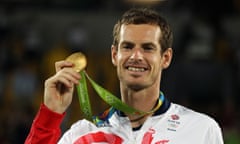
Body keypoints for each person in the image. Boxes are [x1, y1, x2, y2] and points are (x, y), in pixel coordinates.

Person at [25, 8, 224, 144]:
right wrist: (51, 114)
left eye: (147, 48)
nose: (136, 56)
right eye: (127, 47)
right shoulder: (83, 134)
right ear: (114, 55)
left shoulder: (201, 130)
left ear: (165, 58)